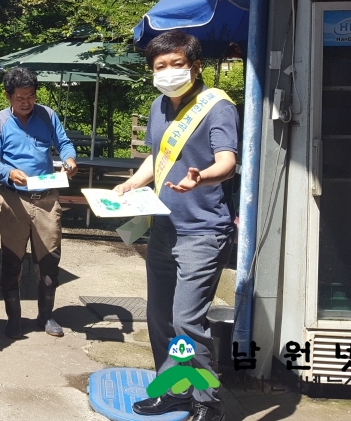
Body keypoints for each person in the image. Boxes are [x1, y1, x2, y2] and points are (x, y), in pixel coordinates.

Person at [113, 30, 238, 421]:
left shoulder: (216, 106)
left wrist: (202, 177)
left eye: (176, 64)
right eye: (159, 66)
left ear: (195, 66)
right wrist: (133, 182)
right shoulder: (158, 106)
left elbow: (227, 161)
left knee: (187, 319)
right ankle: (174, 390)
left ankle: (207, 402)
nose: (168, 72)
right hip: (164, 226)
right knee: (161, 317)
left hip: (203, 229)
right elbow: (157, 158)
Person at [0, 66, 78, 339]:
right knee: (12, 260)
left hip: (47, 199)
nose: (26, 102)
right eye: (20, 98)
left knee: (49, 259)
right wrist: (8, 172)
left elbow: (65, 143)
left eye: (31, 96)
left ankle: (46, 316)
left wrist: (70, 159)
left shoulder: (48, 115)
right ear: (8, 96)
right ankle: (13, 319)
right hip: (13, 199)